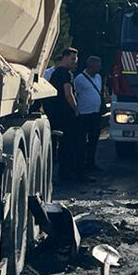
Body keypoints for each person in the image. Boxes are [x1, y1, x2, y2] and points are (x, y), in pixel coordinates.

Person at [47, 48, 87, 180]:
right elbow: (68, 94)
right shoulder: (66, 74)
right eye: (72, 59)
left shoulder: (55, 73)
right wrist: (76, 109)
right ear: (64, 57)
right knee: (73, 144)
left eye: (76, 59)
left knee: (63, 145)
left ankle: (64, 172)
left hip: (57, 114)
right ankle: (71, 173)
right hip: (67, 115)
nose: (75, 62)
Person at [73, 55, 105, 172]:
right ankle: (81, 164)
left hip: (95, 113)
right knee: (82, 141)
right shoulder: (79, 79)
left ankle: (91, 162)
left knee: (94, 140)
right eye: (98, 66)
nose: (100, 68)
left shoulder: (99, 77)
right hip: (83, 114)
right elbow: (74, 94)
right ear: (91, 66)